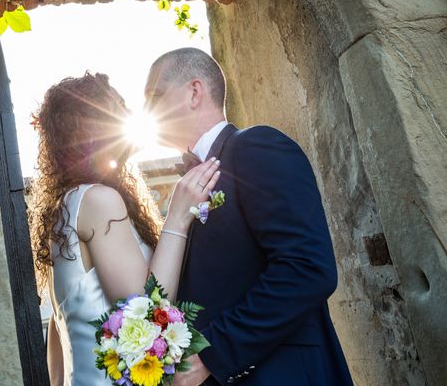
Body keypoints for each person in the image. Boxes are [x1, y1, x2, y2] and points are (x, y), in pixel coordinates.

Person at [144, 48, 353, 386]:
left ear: (194, 92)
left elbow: (307, 268)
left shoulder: (256, 146)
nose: (145, 110)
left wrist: (212, 354)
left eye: (153, 96)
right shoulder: (188, 187)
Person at [30, 72, 221, 386]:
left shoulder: (68, 205)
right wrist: (177, 216)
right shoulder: (97, 200)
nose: (131, 115)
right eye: (118, 107)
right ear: (92, 126)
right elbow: (144, 309)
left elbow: (56, 326)